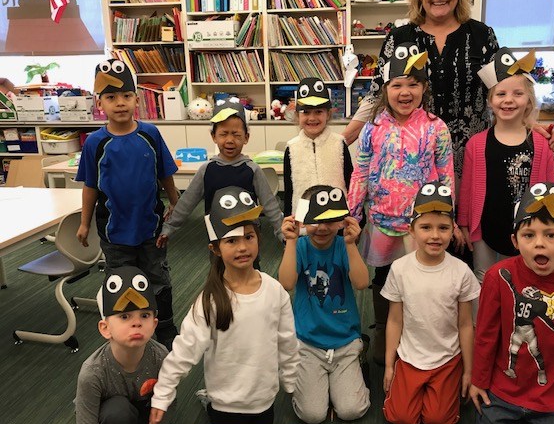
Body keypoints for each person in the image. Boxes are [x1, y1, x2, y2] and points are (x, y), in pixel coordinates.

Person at [148, 187, 299, 424]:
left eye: (249, 237)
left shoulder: (274, 291)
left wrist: (291, 381)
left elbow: (287, 340)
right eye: (231, 240)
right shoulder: (210, 300)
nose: (242, 247)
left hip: (264, 399)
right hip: (225, 403)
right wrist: (162, 395)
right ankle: (207, 400)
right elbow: (184, 351)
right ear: (216, 249)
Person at [343, 0, 499, 180]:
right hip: (412, 159)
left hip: (471, 157)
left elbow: (503, 89)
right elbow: (376, 95)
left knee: (467, 214)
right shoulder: (399, 37)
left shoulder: (482, 35)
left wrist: (529, 125)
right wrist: (343, 139)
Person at [348, 41, 455, 365]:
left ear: (424, 87)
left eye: (413, 84)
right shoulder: (373, 127)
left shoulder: (436, 128)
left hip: (421, 226)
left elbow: (447, 174)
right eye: (397, 85)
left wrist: (449, 219)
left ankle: (416, 333)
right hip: (382, 222)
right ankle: (383, 329)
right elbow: (361, 173)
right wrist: (352, 215)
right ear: (386, 89)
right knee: (383, 279)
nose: (405, 92)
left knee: (421, 280)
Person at [469, 183, 554, 424]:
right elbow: (485, 336)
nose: (540, 244)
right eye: (529, 235)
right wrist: (479, 380)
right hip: (501, 395)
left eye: (551, 235)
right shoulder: (498, 276)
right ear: (514, 241)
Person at [76, 59, 179, 350]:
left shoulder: (150, 134)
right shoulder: (95, 143)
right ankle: (122, 330)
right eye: (110, 97)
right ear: (100, 103)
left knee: (157, 277)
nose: (119, 103)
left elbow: (165, 173)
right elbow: (90, 186)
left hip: (150, 227)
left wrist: (176, 203)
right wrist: (84, 223)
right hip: (114, 231)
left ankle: (166, 326)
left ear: (136, 99)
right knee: (121, 282)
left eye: (125, 96)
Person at [382, 181, 479, 424]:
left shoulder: (461, 272)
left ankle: (445, 389)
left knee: (439, 422)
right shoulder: (400, 269)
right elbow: (394, 320)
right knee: (401, 418)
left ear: (452, 230)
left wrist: (469, 371)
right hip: (409, 358)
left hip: (447, 359)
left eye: (443, 228)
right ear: (411, 230)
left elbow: (466, 324)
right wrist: (390, 365)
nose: (435, 235)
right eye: (426, 227)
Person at [458, 48, 554, 283]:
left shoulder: (541, 145)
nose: (509, 100)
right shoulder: (476, 144)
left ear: (528, 100)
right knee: (484, 279)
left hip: (529, 228)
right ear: (490, 101)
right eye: (500, 94)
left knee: (525, 280)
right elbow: (467, 189)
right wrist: (463, 223)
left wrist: (551, 226)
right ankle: (483, 322)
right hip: (485, 228)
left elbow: (551, 187)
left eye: (517, 93)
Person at [279, 185, 370, 424]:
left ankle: (353, 375)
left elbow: (361, 283)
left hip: (345, 342)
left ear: (340, 220)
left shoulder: (342, 246)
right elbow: (287, 282)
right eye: (314, 220)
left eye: (329, 220)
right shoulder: (299, 247)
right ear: (303, 220)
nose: (321, 227)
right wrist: (290, 241)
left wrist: (351, 244)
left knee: (352, 410)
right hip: (308, 343)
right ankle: (324, 387)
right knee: (312, 415)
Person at [157, 97, 284, 248]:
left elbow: (270, 204)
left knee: (251, 270)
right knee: (219, 271)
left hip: (248, 237)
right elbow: (186, 202)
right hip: (218, 237)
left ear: (246, 137)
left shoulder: (253, 169)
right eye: (223, 134)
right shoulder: (207, 169)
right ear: (213, 136)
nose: (230, 140)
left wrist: (281, 232)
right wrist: (169, 228)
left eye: (236, 134)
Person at [75, 266, 175, 424]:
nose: (137, 323)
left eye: (144, 315)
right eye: (124, 316)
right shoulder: (92, 373)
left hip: (146, 413)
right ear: (105, 328)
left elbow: (168, 402)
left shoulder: (161, 356)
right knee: (117, 411)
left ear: (154, 325)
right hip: (112, 420)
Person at [283, 77, 353, 217]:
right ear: (297, 115)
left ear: (328, 114)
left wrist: (355, 217)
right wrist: (288, 221)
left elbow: (350, 181)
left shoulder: (339, 144)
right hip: (304, 220)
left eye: (318, 111)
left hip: (337, 219)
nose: (312, 118)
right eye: (306, 112)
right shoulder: (292, 148)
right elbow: (289, 191)